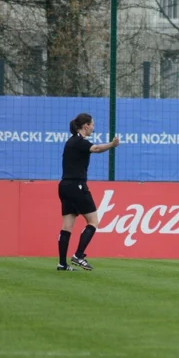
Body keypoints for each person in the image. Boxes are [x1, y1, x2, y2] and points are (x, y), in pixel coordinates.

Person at [58, 112, 120, 271]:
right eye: (92, 124)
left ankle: (62, 264)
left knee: (67, 226)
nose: (93, 127)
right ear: (85, 126)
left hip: (64, 185)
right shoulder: (80, 141)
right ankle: (78, 255)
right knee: (93, 221)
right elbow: (97, 148)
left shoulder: (70, 141)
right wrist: (112, 145)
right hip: (77, 185)